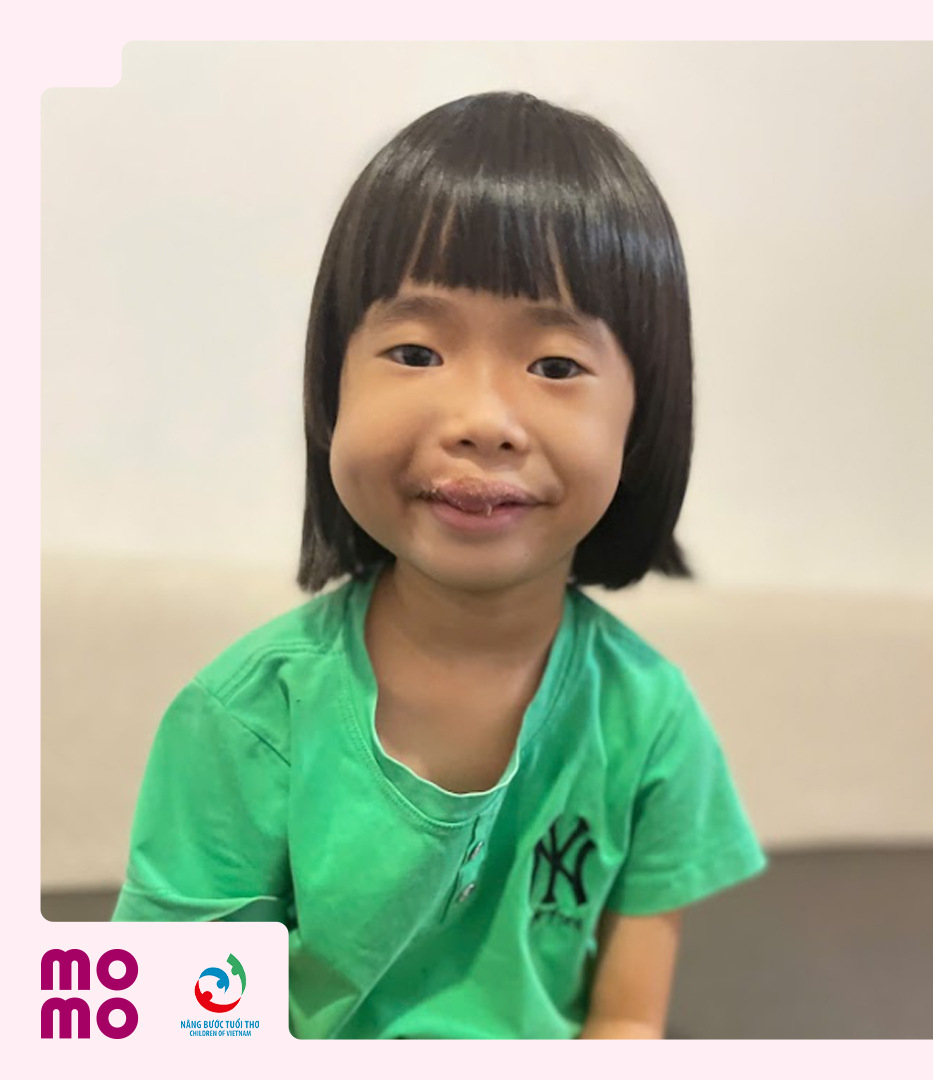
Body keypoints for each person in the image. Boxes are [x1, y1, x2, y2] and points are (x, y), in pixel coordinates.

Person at [113, 90, 767, 1039]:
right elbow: (176, 1030)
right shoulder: (247, 718)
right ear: (332, 388)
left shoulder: (650, 720)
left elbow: (627, 1026)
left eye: (555, 366)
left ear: (643, 420)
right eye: (416, 351)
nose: (482, 421)